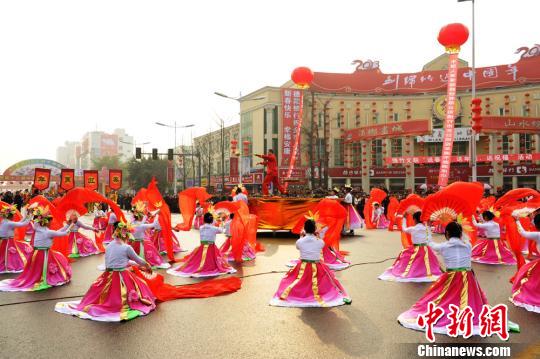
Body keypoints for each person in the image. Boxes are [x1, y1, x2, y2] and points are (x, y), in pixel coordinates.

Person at [397, 221, 518, 336]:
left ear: (447, 233)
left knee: (445, 297)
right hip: (468, 276)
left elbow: (429, 242)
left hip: (452, 276)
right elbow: (465, 238)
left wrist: (428, 228)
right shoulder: (468, 245)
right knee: (470, 298)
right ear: (460, 233)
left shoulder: (443, 246)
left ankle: (455, 314)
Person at [55, 221, 156, 321]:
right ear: (125, 234)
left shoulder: (109, 246)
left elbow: (120, 260)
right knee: (140, 285)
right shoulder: (127, 247)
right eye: (127, 232)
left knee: (102, 293)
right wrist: (147, 265)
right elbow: (136, 259)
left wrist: (138, 265)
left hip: (108, 274)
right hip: (120, 275)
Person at [270, 219, 351, 307]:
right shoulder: (320, 241)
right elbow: (321, 245)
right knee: (328, 278)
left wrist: (301, 236)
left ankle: (301, 294)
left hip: (302, 266)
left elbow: (298, 247)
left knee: (289, 279)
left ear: (304, 229)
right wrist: (317, 236)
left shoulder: (300, 241)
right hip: (317, 265)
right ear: (315, 230)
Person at [0, 206, 73, 291]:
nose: (51, 223)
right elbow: (63, 233)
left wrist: (29, 214)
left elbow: (56, 232)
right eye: (50, 221)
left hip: (36, 253)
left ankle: (38, 276)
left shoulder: (37, 228)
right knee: (51, 263)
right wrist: (70, 224)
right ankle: (43, 277)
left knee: (37, 268)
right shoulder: (47, 232)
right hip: (43, 253)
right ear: (47, 222)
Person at [167, 212, 236, 278]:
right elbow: (222, 230)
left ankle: (200, 267)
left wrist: (213, 221)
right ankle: (208, 267)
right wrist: (219, 222)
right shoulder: (214, 228)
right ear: (212, 220)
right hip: (211, 247)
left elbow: (209, 227)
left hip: (202, 246)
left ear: (204, 219)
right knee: (212, 259)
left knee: (197, 260)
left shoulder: (201, 227)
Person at [379, 212, 442, 282]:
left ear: (414, 220)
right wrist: (429, 225)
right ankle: (423, 271)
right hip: (426, 249)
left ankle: (417, 271)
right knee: (428, 260)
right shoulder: (426, 228)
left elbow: (404, 229)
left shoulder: (413, 229)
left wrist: (404, 219)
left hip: (415, 248)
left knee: (407, 257)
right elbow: (429, 239)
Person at [510, 213, 540, 313]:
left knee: (529, 277)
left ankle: (533, 296)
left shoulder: (538, 234)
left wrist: (517, 220)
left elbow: (522, 233)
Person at [0, 203, 32, 273]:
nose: (14, 216)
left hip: (4, 240)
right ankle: (11, 264)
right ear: (10, 216)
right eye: (13, 215)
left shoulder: (4, 221)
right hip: (8, 241)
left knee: (5, 254)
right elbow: (23, 224)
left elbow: (19, 223)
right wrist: (30, 216)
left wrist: (26, 216)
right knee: (12, 253)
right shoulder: (9, 223)